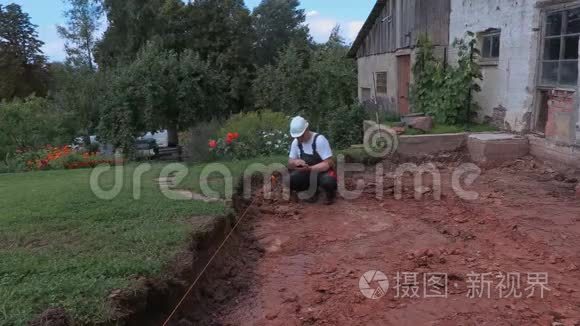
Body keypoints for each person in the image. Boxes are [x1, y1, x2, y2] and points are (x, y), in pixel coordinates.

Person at [287, 116, 338, 205]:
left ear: (307, 129)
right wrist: (295, 162)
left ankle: (329, 194)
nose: (299, 139)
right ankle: (311, 192)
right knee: (290, 179)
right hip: (307, 173)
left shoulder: (319, 140)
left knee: (328, 181)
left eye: (301, 136)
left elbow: (328, 163)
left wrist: (310, 168)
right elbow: (290, 162)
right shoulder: (296, 143)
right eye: (297, 137)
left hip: (323, 172)